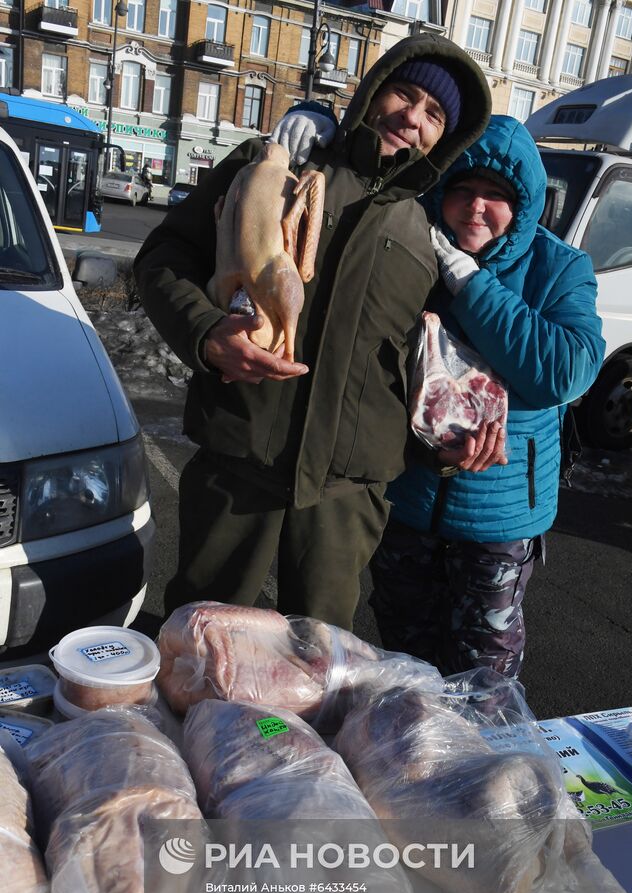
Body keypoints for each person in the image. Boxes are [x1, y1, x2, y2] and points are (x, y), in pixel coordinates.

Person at [133, 35, 491, 629]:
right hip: (237, 472)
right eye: (406, 93)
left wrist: (444, 445)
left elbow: (428, 362)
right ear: (374, 92)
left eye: (435, 114)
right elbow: (163, 258)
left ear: (446, 137)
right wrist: (205, 332)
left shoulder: (424, 236)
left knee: (313, 674)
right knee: (203, 653)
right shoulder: (276, 166)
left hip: (345, 499)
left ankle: (274, 732)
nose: (413, 118)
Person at [369, 115, 606, 677]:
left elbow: (564, 371)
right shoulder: (409, 246)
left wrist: (470, 282)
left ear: (523, 205)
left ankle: (481, 766)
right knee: (404, 666)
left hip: (500, 514)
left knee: (483, 674)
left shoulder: (559, 266)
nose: (476, 207)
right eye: (464, 189)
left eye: (496, 196)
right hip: (408, 497)